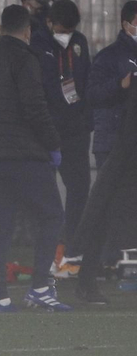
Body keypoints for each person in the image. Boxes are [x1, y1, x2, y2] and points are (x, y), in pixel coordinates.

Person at [0, 5, 72, 312]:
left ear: (0, 30)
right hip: (25, 155)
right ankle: (40, 286)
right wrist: (53, 144)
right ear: (27, 32)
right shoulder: (27, 60)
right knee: (52, 215)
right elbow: (35, 107)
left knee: (1, 223)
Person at [74, 77, 137, 305]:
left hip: (123, 155)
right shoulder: (125, 74)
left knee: (101, 216)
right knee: (101, 217)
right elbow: (96, 97)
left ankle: (86, 282)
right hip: (124, 157)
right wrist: (119, 86)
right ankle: (86, 281)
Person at [40, 0, 91, 279]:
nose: (66, 33)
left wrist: (85, 120)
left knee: (79, 188)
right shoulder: (39, 46)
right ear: (50, 23)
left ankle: (72, 247)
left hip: (75, 130)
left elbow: (85, 81)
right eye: (62, 28)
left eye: (70, 29)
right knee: (45, 193)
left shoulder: (80, 42)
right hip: (47, 130)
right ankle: (47, 251)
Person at [88, 0, 137, 170]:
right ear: (126, 24)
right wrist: (120, 85)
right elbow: (93, 94)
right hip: (114, 143)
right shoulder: (108, 56)